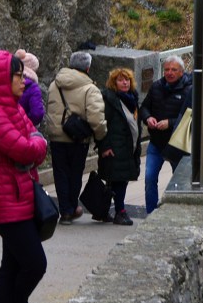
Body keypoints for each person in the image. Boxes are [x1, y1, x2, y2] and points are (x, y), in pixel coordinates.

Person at [0, 51, 48, 303]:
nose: (24, 81)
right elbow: (28, 148)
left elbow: (36, 140)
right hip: (5, 202)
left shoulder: (13, 108)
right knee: (35, 263)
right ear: (2, 79)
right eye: (18, 75)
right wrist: (35, 144)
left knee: (12, 265)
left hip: (19, 197)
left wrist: (34, 144)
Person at [44, 51, 107, 224]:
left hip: (57, 137)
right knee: (75, 174)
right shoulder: (90, 88)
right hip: (78, 138)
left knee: (61, 175)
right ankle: (71, 208)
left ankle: (65, 211)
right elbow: (96, 118)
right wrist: (100, 136)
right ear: (88, 67)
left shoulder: (54, 84)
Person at [139, 55, 191, 213]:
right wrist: (148, 118)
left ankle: (177, 212)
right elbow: (144, 108)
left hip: (177, 144)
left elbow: (191, 118)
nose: (169, 73)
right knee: (149, 179)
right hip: (156, 143)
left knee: (179, 181)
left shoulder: (189, 90)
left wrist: (169, 123)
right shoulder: (156, 87)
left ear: (181, 72)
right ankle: (151, 213)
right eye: (167, 69)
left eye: (174, 70)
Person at [98, 68, 142, 226]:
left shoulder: (132, 98)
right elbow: (101, 124)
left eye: (127, 80)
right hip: (115, 147)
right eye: (121, 80)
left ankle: (105, 210)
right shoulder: (109, 99)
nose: (125, 82)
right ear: (114, 83)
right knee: (118, 180)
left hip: (128, 147)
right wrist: (104, 146)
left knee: (119, 180)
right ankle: (120, 211)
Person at [13, 50, 43, 129]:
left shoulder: (10, 81)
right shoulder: (33, 87)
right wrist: (27, 121)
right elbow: (37, 114)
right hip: (25, 128)